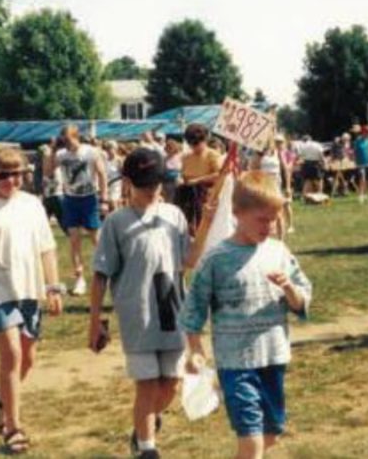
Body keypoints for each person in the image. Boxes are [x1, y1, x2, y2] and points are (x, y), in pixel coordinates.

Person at [181, 171, 312, 459]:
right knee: (252, 440)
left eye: (274, 219)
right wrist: (195, 348)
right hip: (236, 363)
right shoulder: (217, 259)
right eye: (262, 219)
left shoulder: (278, 251)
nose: (270, 226)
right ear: (237, 213)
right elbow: (194, 307)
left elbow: (302, 299)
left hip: (273, 357)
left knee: (270, 435)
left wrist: (289, 289)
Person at [0, 148, 63, 454]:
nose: (10, 180)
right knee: (12, 355)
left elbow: (47, 249)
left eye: (17, 174)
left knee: (27, 358)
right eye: (3, 175)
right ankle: (13, 427)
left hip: (29, 290)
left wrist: (54, 287)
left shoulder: (33, 205)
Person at [89, 148, 189, 459]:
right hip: (138, 313)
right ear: (128, 182)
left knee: (171, 382)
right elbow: (100, 274)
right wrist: (95, 320)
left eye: (157, 183)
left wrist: (210, 219)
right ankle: (147, 448)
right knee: (146, 383)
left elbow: (189, 261)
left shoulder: (174, 216)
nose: (152, 190)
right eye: (144, 184)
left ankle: (144, 423)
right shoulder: (116, 222)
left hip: (173, 309)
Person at [55, 124, 109, 296]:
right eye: (63, 140)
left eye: (68, 140)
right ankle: (79, 279)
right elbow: (48, 171)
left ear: (76, 136)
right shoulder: (60, 154)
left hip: (89, 198)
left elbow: (102, 174)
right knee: (74, 240)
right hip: (70, 199)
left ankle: (107, 271)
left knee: (96, 238)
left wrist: (104, 199)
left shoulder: (91, 152)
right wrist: (51, 150)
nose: (66, 143)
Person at [178, 124, 222, 236]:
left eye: (197, 144)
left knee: (204, 228)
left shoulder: (212, 155)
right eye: (191, 144)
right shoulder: (186, 157)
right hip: (188, 198)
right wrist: (181, 180)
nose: (194, 147)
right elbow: (183, 175)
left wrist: (198, 180)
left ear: (204, 140)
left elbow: (220, 175)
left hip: (206, 197)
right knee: (187, 228)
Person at [250, 141, 288, 239]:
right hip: (263, 185)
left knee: (279, 213)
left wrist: (288, 186)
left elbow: (285, 168)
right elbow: (253, 171)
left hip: (276, 185)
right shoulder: (258, 154)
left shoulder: (277, 152)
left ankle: (281, 239)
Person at [353, 125, 368, 203]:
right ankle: (360, 195)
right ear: (362, 132)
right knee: (362, 178)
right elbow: (354, 152)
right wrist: (354, 161)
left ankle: (366, 195)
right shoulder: (357, 141)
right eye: (365, 132)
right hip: (360, 164)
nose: (367, 134)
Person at [103, 140, 124, 211]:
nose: (109, 150)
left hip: (116, 185)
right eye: (108, 148)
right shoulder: (105, 160)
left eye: (111, 148)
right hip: (107, 184)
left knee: (113, 202)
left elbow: (123, 175)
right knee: (110, 205)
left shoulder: (119, 160)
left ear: (116, 149)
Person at [162, 138, 183, 204]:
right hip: (167, 183)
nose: (169, 150)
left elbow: (183, 169)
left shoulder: (180, 157)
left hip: (177, 183)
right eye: (167, 148)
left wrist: (180, 177)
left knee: (177, 201)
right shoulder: (164, 158)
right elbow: (162, 171)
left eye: (170, 148)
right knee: (168, 201)